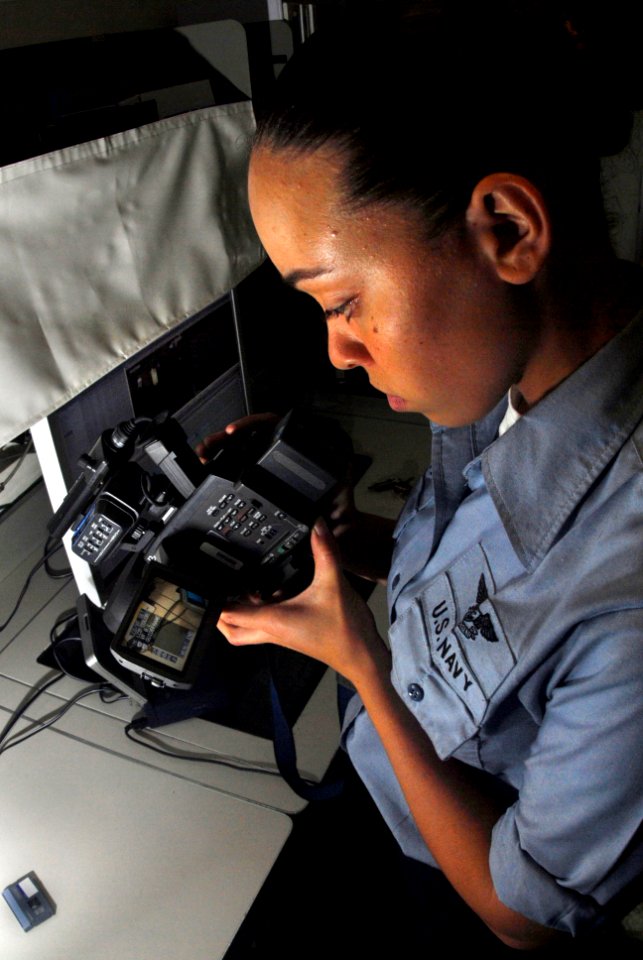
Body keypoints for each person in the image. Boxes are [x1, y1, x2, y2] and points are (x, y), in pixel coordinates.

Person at [216, 1, 643, 952]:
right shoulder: (505, 368)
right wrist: (343, 543)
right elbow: (480, 563)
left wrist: (361, 661)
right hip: (382, 769)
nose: (336, 351)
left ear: (504, 228)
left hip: (459, 884)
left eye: (343, 301)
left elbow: (522, 915)